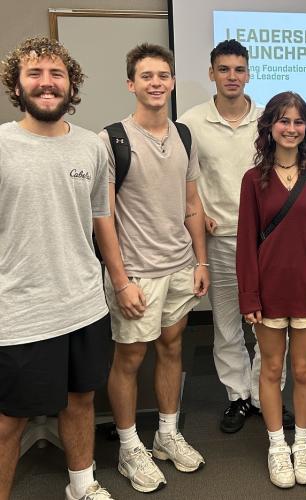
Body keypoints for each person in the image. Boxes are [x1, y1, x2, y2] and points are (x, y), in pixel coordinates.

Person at [0, 36, 113, 500]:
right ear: (17, 83)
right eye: (35, 74)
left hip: (85, 303)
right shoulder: (2, 144)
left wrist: (119, 282)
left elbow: (101, 219)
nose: (46, 83)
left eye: (56, 74)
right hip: (22, 309)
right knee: (11, 419)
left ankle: (81, 486)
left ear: (71, 85)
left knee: (82, 399)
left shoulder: (91, 146)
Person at [94, 43, 207, 493]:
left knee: (173, 348)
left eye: (163, 75)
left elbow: (192, 203)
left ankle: (166, 434)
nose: (156, 83)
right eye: (146, 76)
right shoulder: (111, 140)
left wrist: (199, 260)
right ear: (131, 84)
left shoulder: (183, 136)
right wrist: (120, 281)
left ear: (173, 81)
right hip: (136, 273)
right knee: (129, 358)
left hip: (180, 266)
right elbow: (103, 218)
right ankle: (128, 447)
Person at [179, 39, 293, 434]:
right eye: (224, 69)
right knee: (228, 325)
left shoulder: (268, 119)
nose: (232, 76)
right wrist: (199, 212)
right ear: (211, 73)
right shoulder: (190, 122)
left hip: (268, 241)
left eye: (239, 69)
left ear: (248, 73)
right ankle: (239, 397)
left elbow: (286, 172)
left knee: (271, 324)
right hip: (221, 240)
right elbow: (180, 178)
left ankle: (267, 395)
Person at [236, 91, 306, 489]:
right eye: (284, 121)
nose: (291, 129)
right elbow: (246, 242)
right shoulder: (253, 180)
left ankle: (304, 442)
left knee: (302, 369)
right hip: (268, 294)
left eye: (298, 122)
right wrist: (249, 296)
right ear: (270, 127)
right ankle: (277, 445)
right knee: (271, 368)